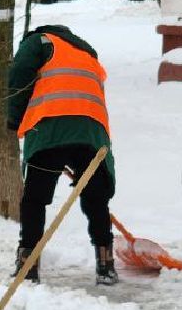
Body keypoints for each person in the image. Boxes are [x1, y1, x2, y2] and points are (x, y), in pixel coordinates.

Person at [6, 23, 117, 285]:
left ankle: (28, 264)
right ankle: (106, 262)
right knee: (95, 199)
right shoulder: (86, 52)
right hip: (91, 134)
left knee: (35, 198)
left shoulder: (38, 42)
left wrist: (14, 118)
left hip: (50, 129)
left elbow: (19, 75)